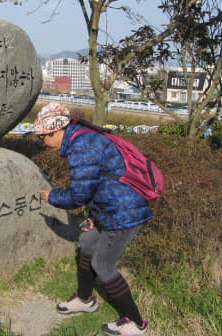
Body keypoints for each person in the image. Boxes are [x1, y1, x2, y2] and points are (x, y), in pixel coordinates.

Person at [34, 102, 151, 336]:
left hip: (123, 213)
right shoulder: (80, 139)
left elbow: (80, 194)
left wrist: (53, 196)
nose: (43, 143)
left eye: (43, 137)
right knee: (87, 242)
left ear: (56, 131)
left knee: (103, 264)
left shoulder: (83, 145)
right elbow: (99, 184)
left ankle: (136, 324)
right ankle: (86, 300)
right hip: (110, 208)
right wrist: (94, 217)